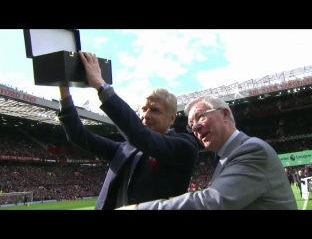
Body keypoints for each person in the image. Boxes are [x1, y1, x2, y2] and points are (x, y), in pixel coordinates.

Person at [57, 51, 198, 210]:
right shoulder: (125, 148)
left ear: (172, 118)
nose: (146, 115)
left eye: (155, 110)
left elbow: (140, 136)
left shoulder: (184, 146)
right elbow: (79, 136)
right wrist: (64, 93)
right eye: (143, 109)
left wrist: (100, 85)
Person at [116, 95, 298, 210]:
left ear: (225, 114)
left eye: (200, 116)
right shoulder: (223, 158)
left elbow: (212, 202)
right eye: (191, 124)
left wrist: (138, 209)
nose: (194, 126)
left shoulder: (251, 150)